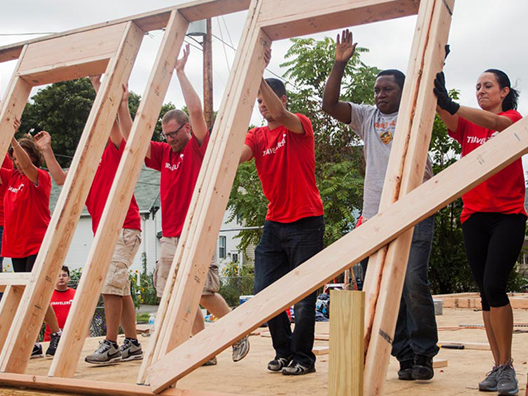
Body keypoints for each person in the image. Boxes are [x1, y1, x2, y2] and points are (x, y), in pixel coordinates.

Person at [322, 29, 438, 380]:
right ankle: (404, 356)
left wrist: (437, 60)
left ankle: (424, 354)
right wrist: (339, 64)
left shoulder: (416, 113)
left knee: (413, 282)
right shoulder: (367, 116)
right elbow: (329, 105)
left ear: (404, 93)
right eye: (377, 89)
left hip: (416, 209)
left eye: (388, 89)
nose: (380, 94)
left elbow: (427, 87)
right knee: (382, 285)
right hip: (376, 214)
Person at [141, 44, 249, 364]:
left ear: (186, 129)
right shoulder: (164, 154)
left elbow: (198, 111)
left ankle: (235, 332)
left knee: (202, 292)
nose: (169, 139)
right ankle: (203, 347)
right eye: (165, 134)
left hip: (198, 229)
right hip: (171, 234)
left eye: (173, 133)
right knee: (175, 295)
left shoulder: (198, 149)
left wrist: (179, 72)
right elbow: (131, 140)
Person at [35, 77, 143, 365]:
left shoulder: (114, 151)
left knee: (109, 286)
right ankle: (132, 343)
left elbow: (112, 124)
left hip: (124, 226)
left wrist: (100, 90)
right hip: (105, 231)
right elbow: (60, 179)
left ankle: (110, 344)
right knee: (121, 288)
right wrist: (46, 150)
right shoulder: (85, 166)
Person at [434, 69, 525, 395]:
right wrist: (437, 88)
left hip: (508, 216)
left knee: (494, 285)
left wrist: (452, 104)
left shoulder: (513, 118)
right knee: (486, 294)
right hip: (473, 215)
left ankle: (509, 367)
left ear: (504, 92)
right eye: (477, 87)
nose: (481, 91)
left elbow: (497, 125)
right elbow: (446, 114)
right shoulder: (469, 125)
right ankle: (498, 365)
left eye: (488, 86)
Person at [239, 47, 325, 376]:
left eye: (268, 101)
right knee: (264, 293)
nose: (263, 107)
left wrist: (257, 74)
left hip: (305, 221)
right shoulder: (257, 135)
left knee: (303, 298)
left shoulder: (298, 126)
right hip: (274, 223)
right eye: (258, 102)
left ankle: (304, 358)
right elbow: (241, 155)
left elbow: (279, 111)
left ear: (283, 99)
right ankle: (284, 352)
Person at [0, 121, 62, 358]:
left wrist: (14, 141)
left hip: (36, 243)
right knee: (22, 295)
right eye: (14, 158)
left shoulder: (40, 177)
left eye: (19, 158)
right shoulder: (11, 177)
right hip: (15, 247)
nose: (16, 162)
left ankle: (56, 333)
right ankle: (32, 341)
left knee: (36, 292)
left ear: (32, 157)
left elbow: (26, 165)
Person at [44, 266, 76, 341]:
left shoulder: (76, 294)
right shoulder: (47, 295)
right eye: (58, 275)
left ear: (69, 278)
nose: (61, 278)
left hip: (72, 336)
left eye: (64, 275)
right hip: (51, 338)